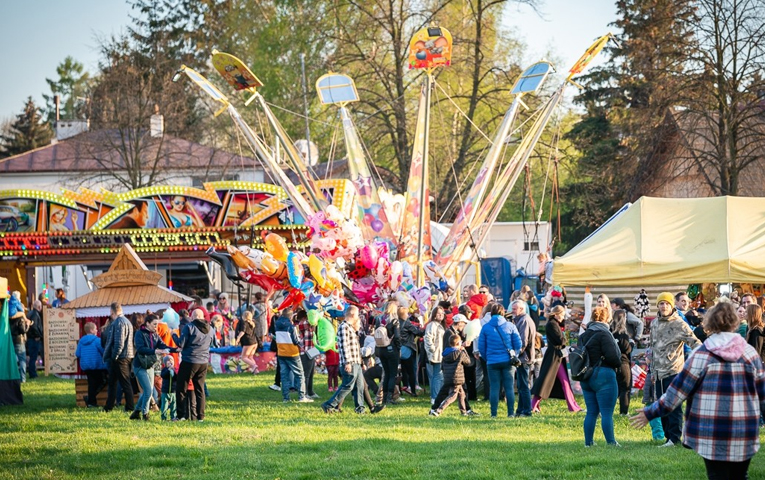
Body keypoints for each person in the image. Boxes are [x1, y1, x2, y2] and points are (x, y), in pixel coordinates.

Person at [631, 302, 765, 479]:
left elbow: (676, 392)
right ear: (734, 321)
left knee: (717, 476)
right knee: (740, 476)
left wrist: (650, 412)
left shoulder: (701, 355)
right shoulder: (749, 354)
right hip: (744, 429)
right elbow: (762, 395)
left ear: (709, 323)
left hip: (710, 431)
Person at [650, 292, 701, 448]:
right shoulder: (654, 323)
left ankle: (674, 438)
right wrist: (652, 370)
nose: (664, 306)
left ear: (672, 306)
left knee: (674, 406)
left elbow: (696, 343)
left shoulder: (679, 323)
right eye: (661, 303)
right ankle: (667, 438)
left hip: (674, 371)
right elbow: (653, 348)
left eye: (667, 303)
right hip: (658, 372)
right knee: (662, 406)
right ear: (657, 306)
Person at [579, 306, 622, 447]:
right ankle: (611, 442)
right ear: (607, 318)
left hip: (586, 377)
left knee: (591, 412)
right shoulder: (605, 334)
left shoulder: (583, 336)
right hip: (603, 376)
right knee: (607, 412)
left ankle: (588, 443)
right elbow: (614, 358)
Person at [531, 305, 581, 413]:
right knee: (546, 382)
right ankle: (533, 405)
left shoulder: (554, 324)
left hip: (556, 357)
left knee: (561, 382)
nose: (563, 318)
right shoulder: (552, 324)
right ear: (557, 314)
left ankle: (573, 406)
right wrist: (564, 337)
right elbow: (560, 340)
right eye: (562, 315)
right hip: (554, 357)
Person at [477, 303, 522, 418]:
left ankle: (493, 414)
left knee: (494, 388)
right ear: (503, 313)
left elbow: (481, 347)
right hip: (507, 361)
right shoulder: (510, 326)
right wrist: (514, 354)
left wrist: (488, 357)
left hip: (492, 362)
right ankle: (511, 413)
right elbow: (518, 343)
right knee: (509, 387)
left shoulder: (485, 327)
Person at [322, 306, 367, 414]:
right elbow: (344, 346)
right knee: (348, 386)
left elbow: (355, 346)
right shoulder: (344, 327)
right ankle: (328, 405)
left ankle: (360, 408)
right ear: (352, 314)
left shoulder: (351, 327)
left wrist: (361, 362)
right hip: (349, 362)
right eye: (357, 314)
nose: (358, 317)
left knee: (359, 386)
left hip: (356, 362)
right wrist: (347, 362)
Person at [131, 313, 175, 421]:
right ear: (147, 323)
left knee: (149, 390)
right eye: (154, 324)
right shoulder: (139, 334)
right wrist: (155, 351)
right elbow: (141, 349)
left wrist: (175, 349)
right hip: (139, 365)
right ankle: (145, 414)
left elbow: (163, 346)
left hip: (149, 365)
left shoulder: (155, 334)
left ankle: (136, 412)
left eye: (157, 324)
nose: (156, 327)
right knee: (148, 390)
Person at [174, 309, 214, 421]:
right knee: (200, 389)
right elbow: (213, 342)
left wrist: (174, 335)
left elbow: (180, 344)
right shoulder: (211, 328)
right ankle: (201, 417)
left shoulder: (189, 327)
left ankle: (181, 415)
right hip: (203, 362)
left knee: (181, 388)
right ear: (202, 317)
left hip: (189, 360)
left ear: (192, 317)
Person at [429, 334, 478, 417]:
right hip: (458, 378)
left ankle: (464, 411)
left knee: (461, 394)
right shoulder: (460, 353)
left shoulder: (445, 354)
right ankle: (438, 410)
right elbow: (468, 362)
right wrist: (464, 350)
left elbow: (442, 367)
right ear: (458, 343)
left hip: (448, 377)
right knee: (452, 396)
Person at [103, 302, 135, 413]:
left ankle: (130, 407)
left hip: (120, 357)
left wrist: (114, 356)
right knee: (113, 382)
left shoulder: (119, 323)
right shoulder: (127, 322)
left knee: (124, 383)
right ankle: (109, 406)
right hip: (127, 355)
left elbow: (119, 342)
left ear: (112, 311)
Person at [274, 309, 311, 403]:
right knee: (300, 374)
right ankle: (302, 397)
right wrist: (301, 344)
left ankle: (286, 398)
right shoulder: (291, 326)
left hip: (281, 353)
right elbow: (295, 341)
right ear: (291, 316)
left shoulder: (277, 324)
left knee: (284, 376)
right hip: (292, 353)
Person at [510, 300, 535, 417]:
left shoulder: (524, 320)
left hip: (524, 357)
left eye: (514, 309)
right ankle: (520, 410)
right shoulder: (521, 319)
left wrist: (516, 354)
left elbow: (523, 341)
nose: (512, 311)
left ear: (521, 309)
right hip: (524, 357)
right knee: (521, 385)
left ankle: (527, 410)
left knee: (524, 386)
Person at [75, 322, 108, 408]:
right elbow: (103, 352)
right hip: (96, 366)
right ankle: (90, 400)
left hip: (86, 366)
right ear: (91, 330)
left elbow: (77, 354)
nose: (97, 330)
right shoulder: (97, 340)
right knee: (103, 381)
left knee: (91, 384)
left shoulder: (81, 341)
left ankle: (91, 402)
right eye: (95, 329)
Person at [375, 302, 401, 405]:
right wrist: (398, 348)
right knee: (392, 374)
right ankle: (389, 397)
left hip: (381, 349)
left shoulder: (379, 319)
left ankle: (384, 397)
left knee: (386, 373)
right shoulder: (394, 321)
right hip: (392, 349)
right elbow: (397, 336)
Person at [611, 309, 633, 415]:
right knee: (625, 388)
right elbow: (626, 349)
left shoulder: (609, 332)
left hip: (611, 364)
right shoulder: (623, 334)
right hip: (623, 363)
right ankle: (624, 412)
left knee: (612, 389)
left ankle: (605, 410)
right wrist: (632, 344)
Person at [424, 306, 446, 406]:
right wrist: (432, 349)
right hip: (436, 353)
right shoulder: (432, 325)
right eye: (438, 313)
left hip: (440, 353)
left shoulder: (440, 325)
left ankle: (437, 396)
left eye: (442, 313)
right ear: (434, 315)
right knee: (438, 376)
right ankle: (435, 397)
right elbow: (428, 338)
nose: (441, 315)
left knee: (438, 376)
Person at [399, 307, 422, 397]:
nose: (408, 315)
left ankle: (404, 387)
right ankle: (413, 391)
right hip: (408, 348)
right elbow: (417, 332)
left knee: (402, 370)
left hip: (399, 349)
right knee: (411, 371)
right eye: (407, 313)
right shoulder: (407, 323)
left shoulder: (396, 322)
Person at [296, 310, 320, 400]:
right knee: (306, 373)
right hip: (305, 351)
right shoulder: (302, 323)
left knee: (311, 372)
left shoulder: (309, 323)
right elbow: (311, 321)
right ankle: (304, 392)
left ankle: (310, 391)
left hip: (312, 349)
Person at [9, 291, 30, 383]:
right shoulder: (19, 315)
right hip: (19, 339)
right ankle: (23, 378)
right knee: (22, 359)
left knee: (12, 358)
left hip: (10, 337)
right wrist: (28, 325)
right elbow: (23, 330)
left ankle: (12, 376)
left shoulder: (8, 308)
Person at [25, 300, 43, 379]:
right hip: (34, 339)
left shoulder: (30, 313)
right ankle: (33, 374)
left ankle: (32, 372)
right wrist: (38, 335)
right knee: (33, 357)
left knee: (32, 356)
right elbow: (34, 326)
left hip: (30, 338)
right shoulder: (35, 314)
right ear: (39, 307)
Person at [160, 356, 177, 421]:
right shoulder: (164, 369)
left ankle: (173, 416)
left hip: (173, 391)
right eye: (168, 361)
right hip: (165, 391)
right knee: (164, 405)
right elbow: (163, 375)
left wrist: (173, 371)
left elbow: (176, 378)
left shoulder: (174, 369)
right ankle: (164, 417)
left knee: (173, 405)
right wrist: (168, 370)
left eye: (171, 360)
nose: (170, 362)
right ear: (165, 363)